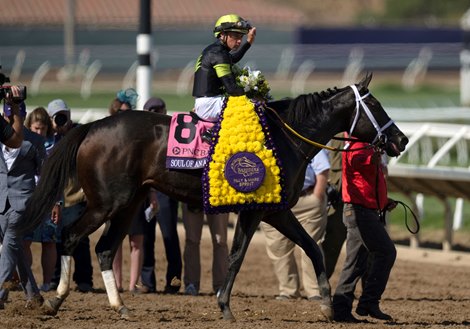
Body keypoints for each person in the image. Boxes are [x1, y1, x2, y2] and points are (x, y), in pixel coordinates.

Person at [332, 138, 397, 323]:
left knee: (355, 263)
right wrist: (371, 160)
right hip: (360, 212)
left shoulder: (366, 145)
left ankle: (341, 309)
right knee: (386, 252)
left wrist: (384, 201)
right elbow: (355, 161)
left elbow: (365, 182)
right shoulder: (357, 145)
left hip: (363, 210)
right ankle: (368, 302)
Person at [260, 150, 330, 301]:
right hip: (274, 202)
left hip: (306, 200)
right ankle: (288, 290)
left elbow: (323, 168)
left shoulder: (303, 140)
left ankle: (314, 291)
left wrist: (317, 197)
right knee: (278, 247)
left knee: (311, 246)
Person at [0, 101, 46, 310]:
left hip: (23, 201)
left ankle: (0, 292)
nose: (10, 118)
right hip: (1, 201)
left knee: (10, 243)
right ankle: (34, 295)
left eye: (15, 114)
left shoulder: (35, 140)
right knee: (16, 248)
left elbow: (44, 175)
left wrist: (51, 202)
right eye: (8, 114)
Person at [48, 99, 94, 293]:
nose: (61, 121)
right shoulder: (47, 139)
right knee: (55, 240)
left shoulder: (80, 134)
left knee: (80, 238)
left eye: (64, 116)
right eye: (57, 117)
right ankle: (55, 278)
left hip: (76, 195)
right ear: (50, 120)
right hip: (55, 198)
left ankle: (84, 280)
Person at [139, 97, 182, 294]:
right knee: (146, 239)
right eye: (152, 111)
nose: (156, 114)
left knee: (169, 236)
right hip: (146, 192)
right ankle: (148, 282)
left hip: (166, 193)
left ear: (165, 111)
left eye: (159, 110)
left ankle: (173, 281)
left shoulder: (173, 135)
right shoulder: (141, 137)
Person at [108, 89, 146, 293]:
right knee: (115, 241)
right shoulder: (107, 141)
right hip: (115, 196)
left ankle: (134, 285)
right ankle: (117, 283)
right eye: (121, 113)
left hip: (135, 195)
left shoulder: (138, 139)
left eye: (127, 112)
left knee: (136, 241)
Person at [193, 14, 256, 122]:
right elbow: (232, 89)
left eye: (241, 37)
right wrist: (254, 94)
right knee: (256, 110)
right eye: (235, 36)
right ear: (222, 35)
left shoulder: (215, 50)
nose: (240, 41)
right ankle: (212, 135)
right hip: (210, 105)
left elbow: (232, 59)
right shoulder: (218, 54)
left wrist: (249, 42)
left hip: (208, 103)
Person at [23, 106, 57, 292]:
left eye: (42, 128)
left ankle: (46, 282)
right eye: (36, 128)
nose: (39, 132)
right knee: (25, 241)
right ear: (29, 126)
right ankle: (28, 282)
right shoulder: (22, 142)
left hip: (49, 200)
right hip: (28, 198)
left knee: (49, 241)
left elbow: (57, 178)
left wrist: (56, 202)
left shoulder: (54, 146)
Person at [322, 136, 347, 278]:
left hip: (363, 199)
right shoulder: (332, 133)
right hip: (337, 200)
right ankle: (320, 285)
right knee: (332, 244)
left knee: (365, 249)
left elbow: (382, 167)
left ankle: (368, 293)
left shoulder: (373, 132)